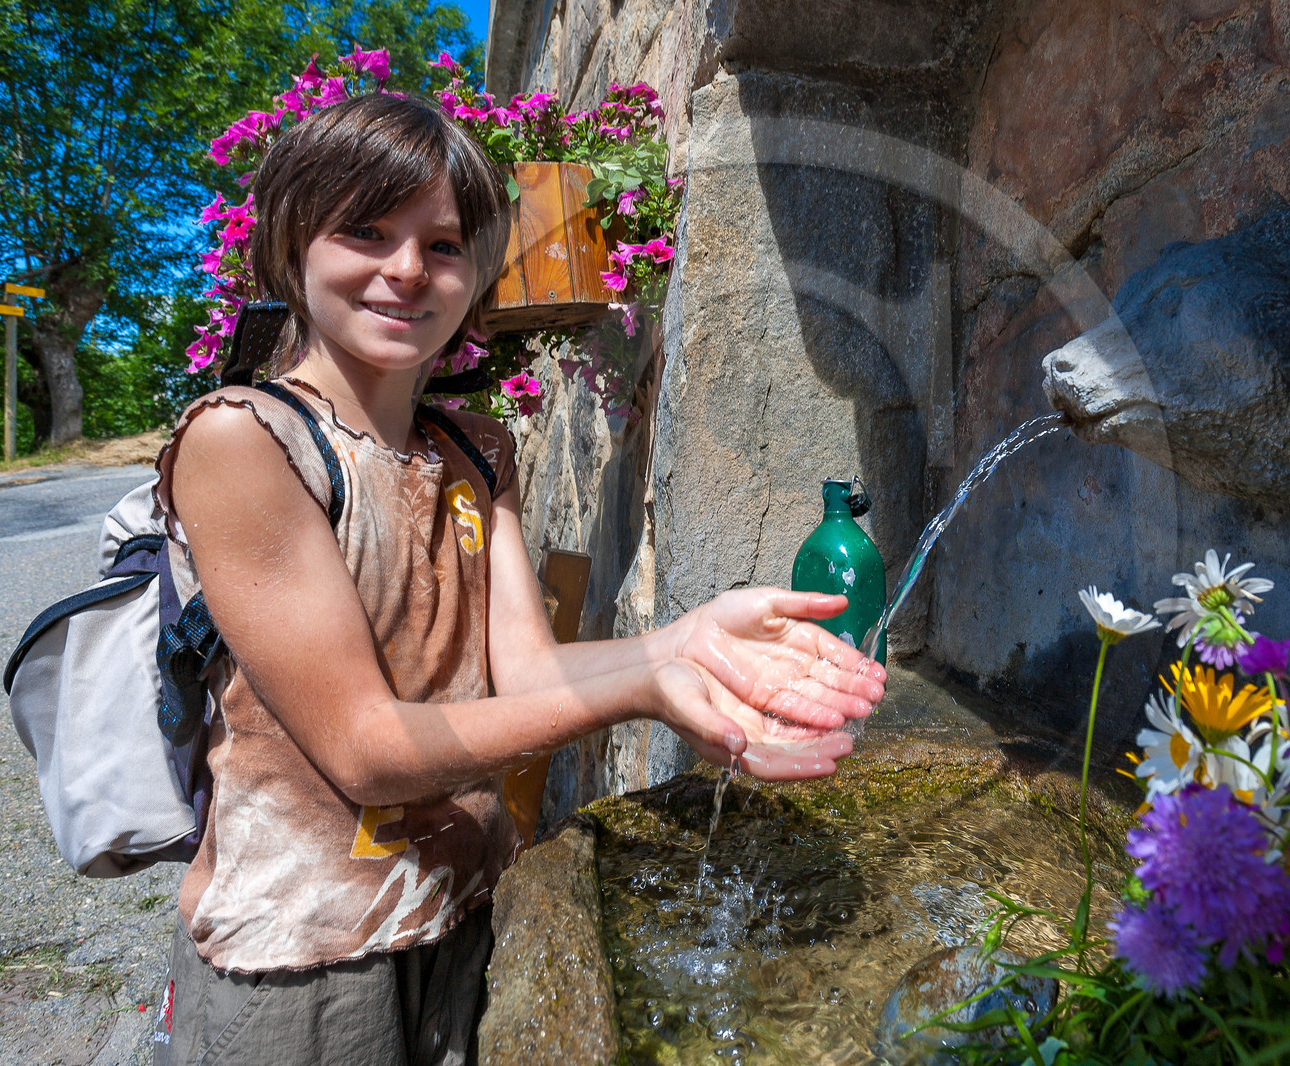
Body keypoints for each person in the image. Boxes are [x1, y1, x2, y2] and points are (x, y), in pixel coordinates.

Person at [148, 92, 885, 1065]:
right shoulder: (246, 441)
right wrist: (645, 688)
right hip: (307, 954)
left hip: (460, 912)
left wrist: (685, 638)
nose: (407, 269)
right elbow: (365, 749)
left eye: (444, 244)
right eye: (364, 231)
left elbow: (527, 677)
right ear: (292, 247)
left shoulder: (476, 448)